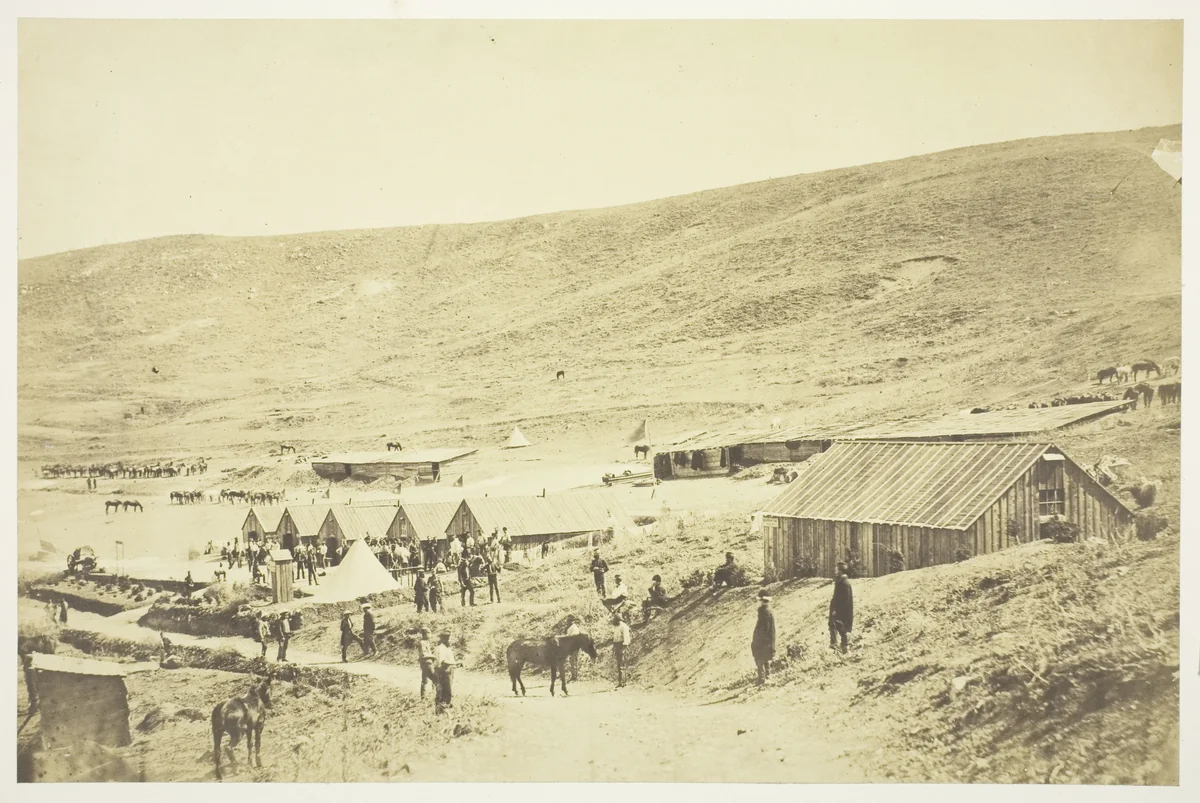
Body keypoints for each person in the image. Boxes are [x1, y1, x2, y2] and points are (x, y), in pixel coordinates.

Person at [829, 561, 854, 653]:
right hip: (837, 609)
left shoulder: (844, 583)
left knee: (840, 626)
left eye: (837, 569)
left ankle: (843, 646)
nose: (835, 571)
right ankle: (835, 645)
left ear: (841, 571)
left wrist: (836, 610)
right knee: (833, 625)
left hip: (841, 611)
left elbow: (844, 600)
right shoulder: (840, 582)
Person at [752, 590, 776, 685]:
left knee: (759, 658)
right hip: (768, 639)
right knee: (766, 658)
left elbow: (763, 628)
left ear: (762, 600)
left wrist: (757, 640)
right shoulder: (768, 610)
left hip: (762, 639)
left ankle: (762, 679)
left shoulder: (764, 612)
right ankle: (768, 676)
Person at [434, 632, 457, 713]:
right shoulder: (441, 648)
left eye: (449, 638)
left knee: (448, 691)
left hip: (449, 671)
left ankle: (444, 710)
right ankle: (441, 710)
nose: (449, 640)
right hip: (444, 672)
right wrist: (454, 663)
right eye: (447, 638)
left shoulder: (447, 648)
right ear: (443, 639)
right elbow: (443, 662)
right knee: (445, 691)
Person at [611, 613, 631, 688]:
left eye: (614, 619)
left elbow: (626, 639)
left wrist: (623, 649)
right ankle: (620, 682)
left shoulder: (623, 626)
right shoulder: (616, 626)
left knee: (622, 664)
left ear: (617, 620)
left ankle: (623, 683)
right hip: (617, 645)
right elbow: (615, 638)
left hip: (622, 645)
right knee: (619, 664)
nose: (613, 620)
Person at [417, 627, 437, 699]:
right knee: (435, 679)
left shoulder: (425, 642)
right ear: (425, 634)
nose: (430, 635)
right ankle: (434, 695)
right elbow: (423, 654)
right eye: (429, 633)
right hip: (427, 663)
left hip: (427, 663)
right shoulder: (422, 643)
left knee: (425, 680)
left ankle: (424, 697)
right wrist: (433, 656)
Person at [565, 615, 582, 681]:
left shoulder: (574, 628)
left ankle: (574, 677)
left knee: (573, 661)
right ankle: (573, 676)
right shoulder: (571, 628)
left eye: (568, 621)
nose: (567, 622)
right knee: (572, 661)